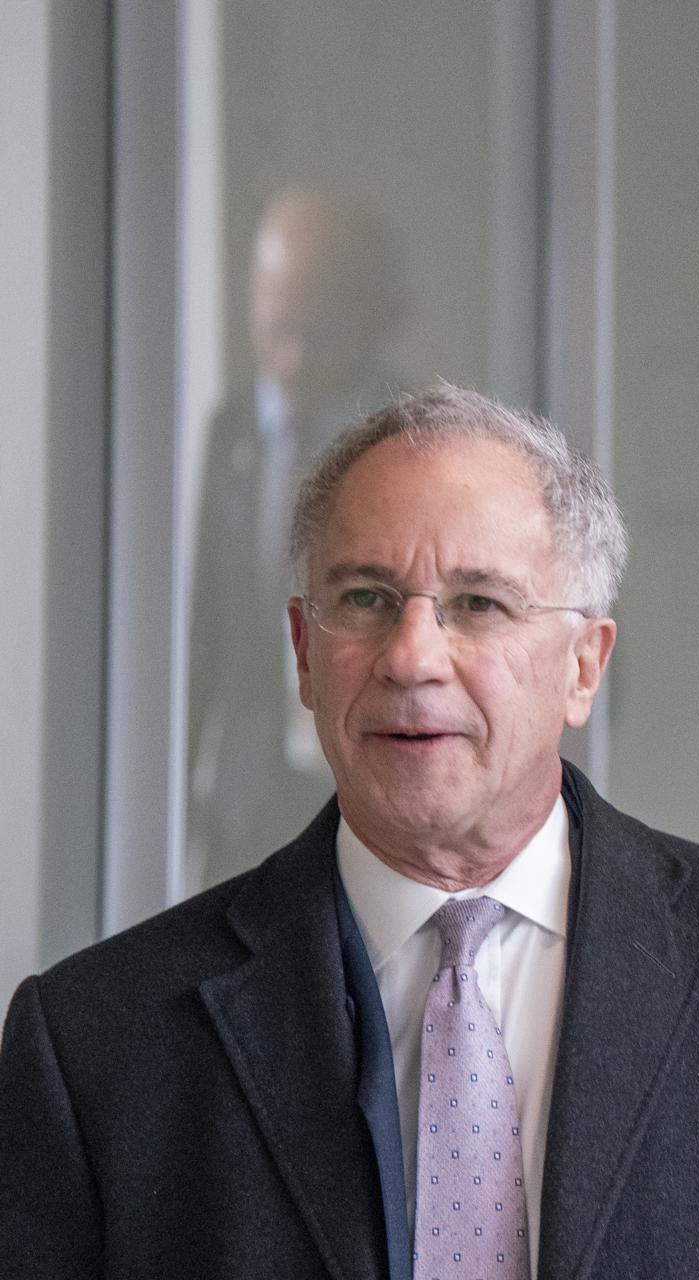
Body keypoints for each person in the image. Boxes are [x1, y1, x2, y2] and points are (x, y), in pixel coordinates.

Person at [2, 387, 699, 1279]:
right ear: (303, 652)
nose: (413, 657)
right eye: (367, 598)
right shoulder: (93, 1045)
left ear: (585, 665)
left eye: (479, 604)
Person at [188, 187, 410, 891]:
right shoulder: (227, 435)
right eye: (279, 321)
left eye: (318, 327)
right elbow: (202, 634)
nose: (294, 352)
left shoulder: (409, 435)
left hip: (365, 784)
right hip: (247, 797)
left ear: (365, 319)